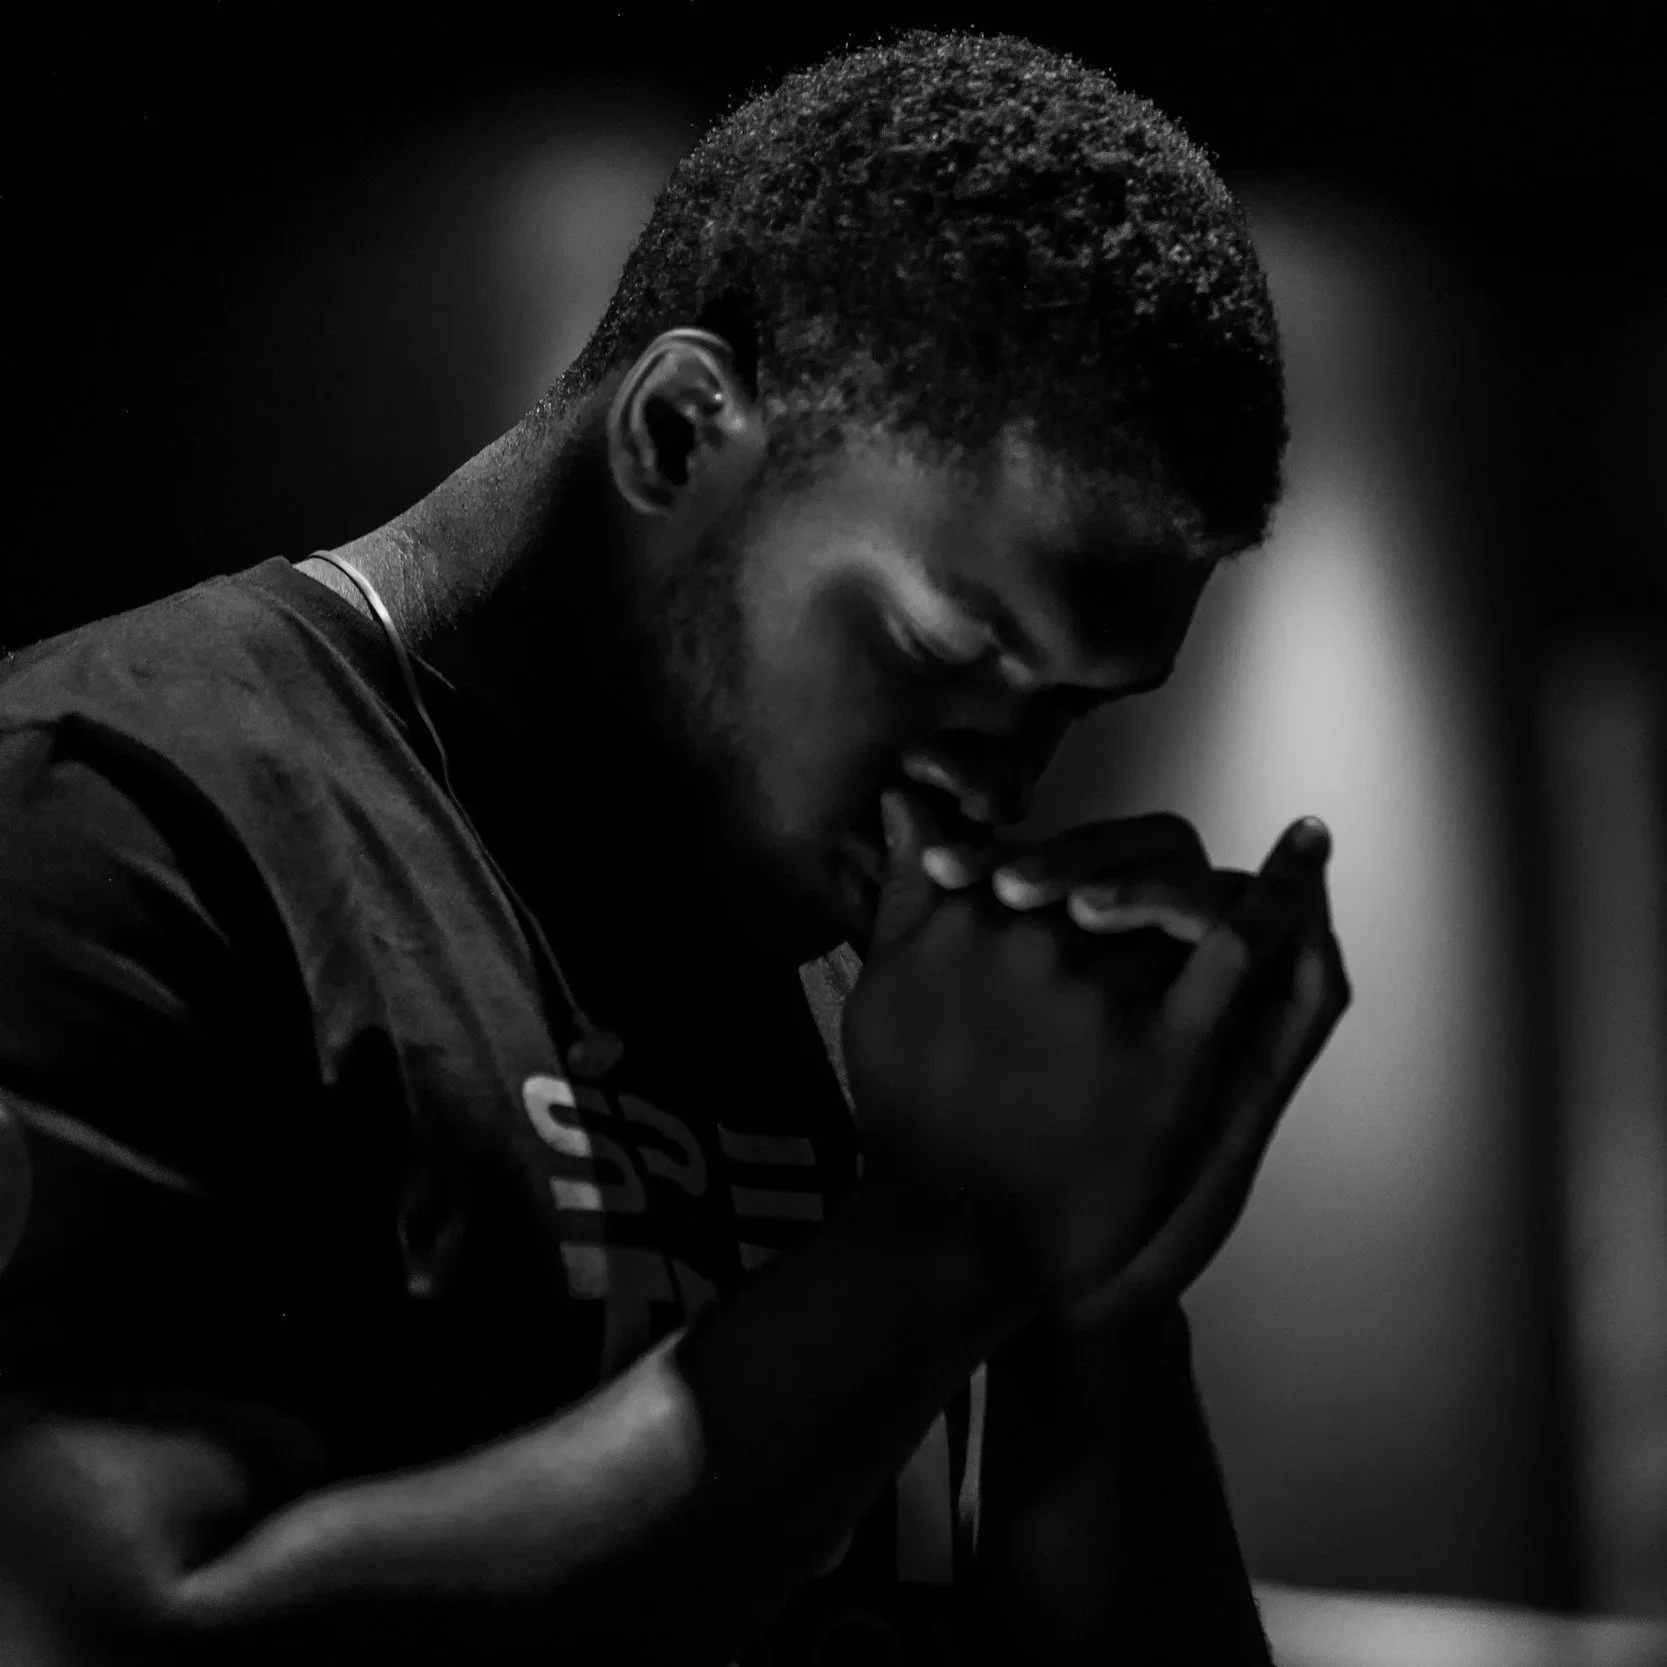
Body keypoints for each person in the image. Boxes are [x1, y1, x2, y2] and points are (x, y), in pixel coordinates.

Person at [0, 27, 1349, 1667]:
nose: (989, 788)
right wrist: (939, 1251)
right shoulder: (120, 806)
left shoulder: (894, 968)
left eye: (1063, 713)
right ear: (679, 429)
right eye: (939, 659)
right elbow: (101, 1631)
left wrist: (1093, 1270)